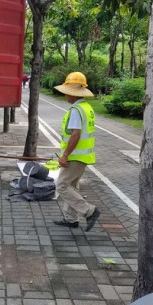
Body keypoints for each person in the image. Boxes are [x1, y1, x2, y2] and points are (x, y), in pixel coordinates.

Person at [53, 71, 101, 232]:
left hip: (75, 156)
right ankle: (71, 218)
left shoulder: (75, 111)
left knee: (62, 186)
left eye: (67, 92)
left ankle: (89, 211)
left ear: (72, 93)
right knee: (72, 185)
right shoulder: (86, 108)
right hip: (83, 155)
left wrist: (65, 155)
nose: (66, 95)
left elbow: (75, 135)